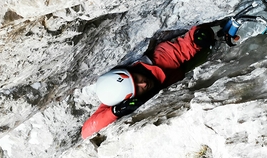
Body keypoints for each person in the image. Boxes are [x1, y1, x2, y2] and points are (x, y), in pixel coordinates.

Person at [81, 24, 216, 139]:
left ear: (132, 72)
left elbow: (181, 49)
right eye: (138, 88)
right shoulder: (115, 96)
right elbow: (86, 132)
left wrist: (198, 37)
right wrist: (116, 112)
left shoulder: (157, 61)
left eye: (137, 80)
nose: (144, 84)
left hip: (184, 71)